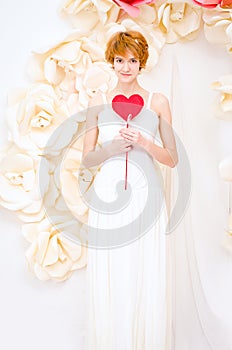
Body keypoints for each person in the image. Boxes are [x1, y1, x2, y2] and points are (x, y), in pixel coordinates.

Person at [81, 30, 178, 350]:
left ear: (142, 62)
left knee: (144, 272)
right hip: (108, 197)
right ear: (111, 61)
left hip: (145, 197)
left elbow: (173, 159)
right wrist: (110, 146)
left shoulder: (157, 101)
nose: (126, 67)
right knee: (113, 272)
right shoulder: (98, 101)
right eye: (120, 60)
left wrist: (147, 143)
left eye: (133, 60)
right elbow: (87, 159)